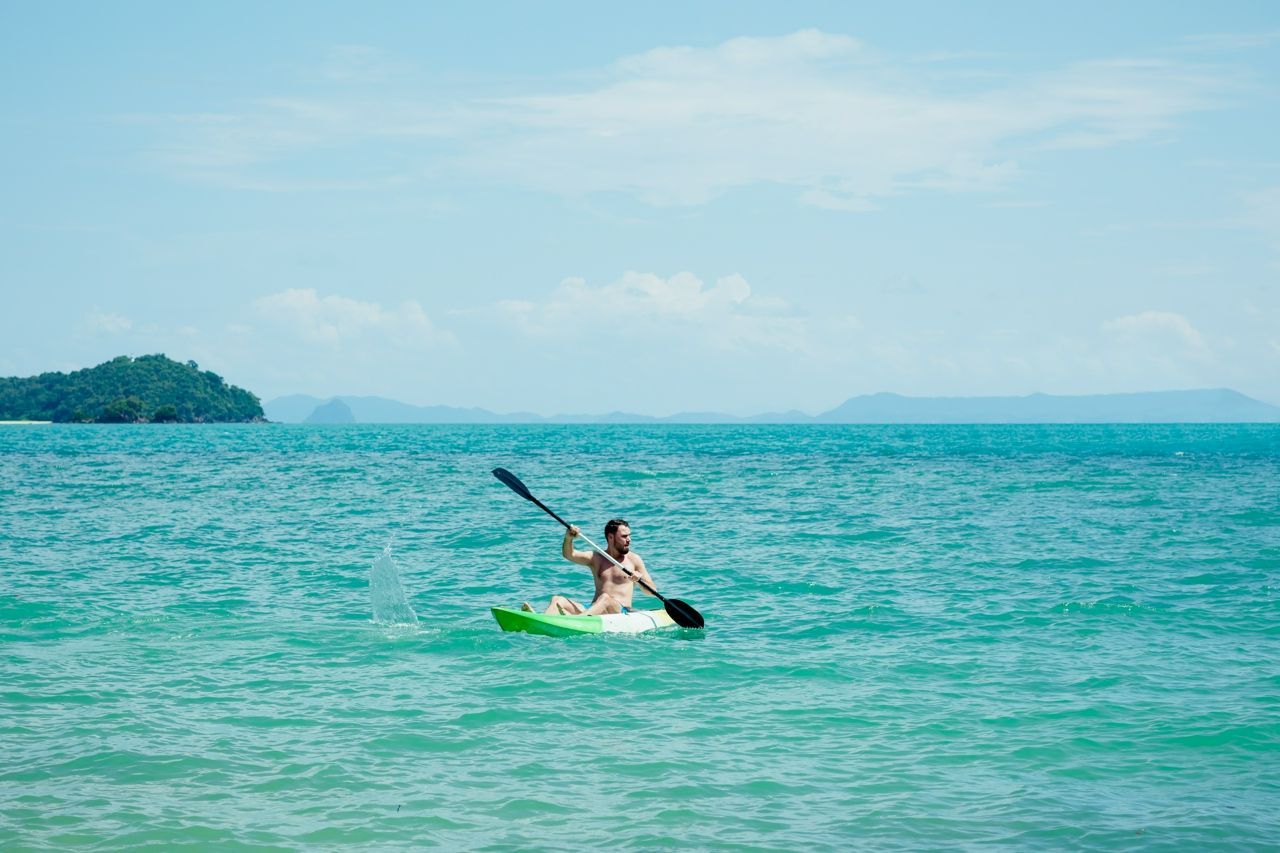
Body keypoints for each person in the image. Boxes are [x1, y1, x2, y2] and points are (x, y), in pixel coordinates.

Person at [521, 519, 658, 616]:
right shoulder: (596, 558)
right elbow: (569, 554)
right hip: (593, 609)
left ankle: (576, 621)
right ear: (611, 537)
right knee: (557, 599)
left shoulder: (634, 559)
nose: (629, 539)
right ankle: (543, 620)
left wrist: (639, 581)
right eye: (624, 536)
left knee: (605, 598)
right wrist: (569, 538)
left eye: (629, 535)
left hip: (619, 611)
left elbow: (652, 591)